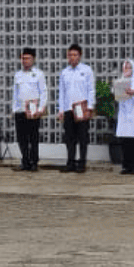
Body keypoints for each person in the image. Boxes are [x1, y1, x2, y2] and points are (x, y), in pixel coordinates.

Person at [57, 43, 95, 173]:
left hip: (82, 109)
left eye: (75, 55)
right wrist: (61, 110)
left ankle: (82, 163)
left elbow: (91, 89)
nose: (72, 57)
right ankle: (70, 162)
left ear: (80, 56)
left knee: (82, 137)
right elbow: (62, 93)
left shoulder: (86, 70)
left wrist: (90, 107)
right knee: (69, 138)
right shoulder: (64, 72)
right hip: (68, 108)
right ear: (67, 56)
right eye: (70, 55)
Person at [11, 47, 47, 172]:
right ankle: (25, 161)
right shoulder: (18, 75)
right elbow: (15, 93)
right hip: (20, 110)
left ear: (33, 59)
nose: (25, 61)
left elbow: (43, 92)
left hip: (33, 110)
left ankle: (34, 162)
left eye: (28, 58)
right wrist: (14, 109)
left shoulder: (39, 74)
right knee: (21, 138)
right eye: (23, 58)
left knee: (33, 137)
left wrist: (41, 108)